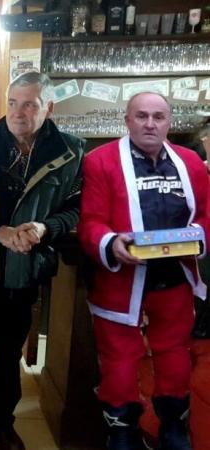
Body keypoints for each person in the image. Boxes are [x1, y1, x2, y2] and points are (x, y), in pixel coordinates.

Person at [0, 71, 84, 450]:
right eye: (12, 103)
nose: (17, 113)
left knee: (8, 356)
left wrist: (46, 227)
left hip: (23, 274)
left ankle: (3, 423)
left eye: (29, 104)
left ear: (48, 108)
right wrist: (0, 232)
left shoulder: (71, 153)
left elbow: (75, 210)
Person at [78, 92, 208, 450]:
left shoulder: (192, 163)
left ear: (170, 122)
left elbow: (206, 216)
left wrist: (196, 236)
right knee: (119, 360)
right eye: (141, 116)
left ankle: (173, 425)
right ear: (127, 119)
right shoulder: (100, 161)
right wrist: (111, 242)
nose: (150, 123)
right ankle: (120, 430)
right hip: (121, 280)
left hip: (175, 278)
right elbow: (90, 221)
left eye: (158, 117)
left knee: (175, 355)